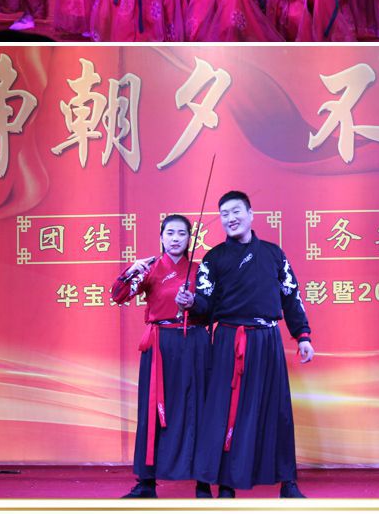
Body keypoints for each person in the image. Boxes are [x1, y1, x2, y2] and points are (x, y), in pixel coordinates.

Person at [176, 190, 313, 498]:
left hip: (267, 340)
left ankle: (287, 483)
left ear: (251, 214)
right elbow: (205, 304)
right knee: (224, 410)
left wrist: (302, 335)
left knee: (277, 410)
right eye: (224, 214)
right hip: (228, 340)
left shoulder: (274, 254)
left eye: (236, 211)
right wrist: (191, 303)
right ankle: (225, 484)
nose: (231, 218)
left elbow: (291, 296)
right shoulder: (213, 258)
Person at [111, 215, 212, 499]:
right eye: (170, 233)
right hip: (160, 345)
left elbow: (213, 308)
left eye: (182, 233)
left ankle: (203, 483)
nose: (176, 238)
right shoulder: (150, 268)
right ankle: (146, 483)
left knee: (198, 408)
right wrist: (131, 271)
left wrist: (194, 303)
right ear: (161, 237)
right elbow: (118, 296)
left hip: (195, 343)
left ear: (190, 238)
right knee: (152, 410)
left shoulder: (201, 270)